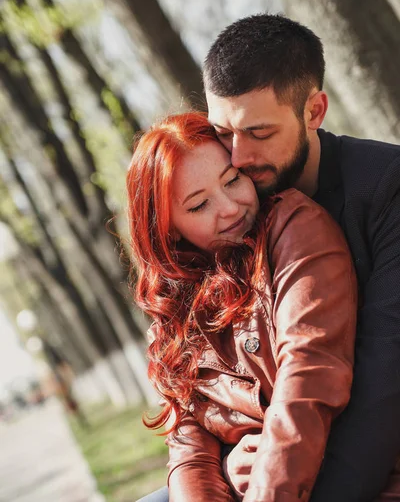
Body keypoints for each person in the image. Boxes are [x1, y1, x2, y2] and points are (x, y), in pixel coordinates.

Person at [203, 13, 400, 501]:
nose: (237, 157)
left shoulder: (388, 188)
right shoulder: (231, 210)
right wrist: (235, 459)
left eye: (259, 132)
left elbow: (385, 385)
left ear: (314, 111)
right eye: (223, 133)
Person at [128, 112, 358, 502]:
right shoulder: (174, 308)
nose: (231, 208)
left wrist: (264, 477)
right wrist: (223, 471)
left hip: (319, 469)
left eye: (232, 180)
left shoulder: (292, 228)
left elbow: (309, 373)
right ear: (168, 229)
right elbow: (187, 448)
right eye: (200, 205)